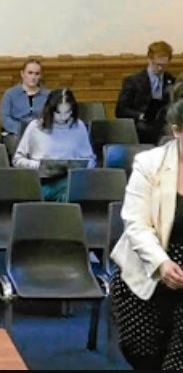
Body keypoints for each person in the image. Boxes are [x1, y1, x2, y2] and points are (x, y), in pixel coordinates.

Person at [110, 98, 183, 369]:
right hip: (146, 268)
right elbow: (136, 223)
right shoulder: (149, 163)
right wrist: (161, 263)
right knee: (143, 354)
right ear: (177, 131)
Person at [13, 88, 96, 202]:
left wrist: (82, 166)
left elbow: (90, 159)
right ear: (50, 110)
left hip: (68, 180)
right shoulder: (35, 127)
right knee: (69, 190)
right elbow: (17, 160)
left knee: (72, 187)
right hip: (41, 182)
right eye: (58, 113)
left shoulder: (78, 126)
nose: (63, 117)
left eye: (67, 112)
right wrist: (38, 165)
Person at [116, 41, 176, 144]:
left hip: (165, 123)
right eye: (157, 65)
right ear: (149, 59)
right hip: (141, 125)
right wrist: (141, 115)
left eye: (164, 65)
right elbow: (121, 110)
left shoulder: (171, 80)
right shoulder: (133, 81)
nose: (160, 68)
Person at [0, 59, 49, 136]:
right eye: (30, 73)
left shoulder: (48, 95)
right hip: (16, 133)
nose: (33, 77)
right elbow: (5, 119)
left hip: (41, 133)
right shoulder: (10, 94)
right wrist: (22, 129)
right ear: (22, 74)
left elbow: (52, 117)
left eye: (37, 74)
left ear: (40, 76)